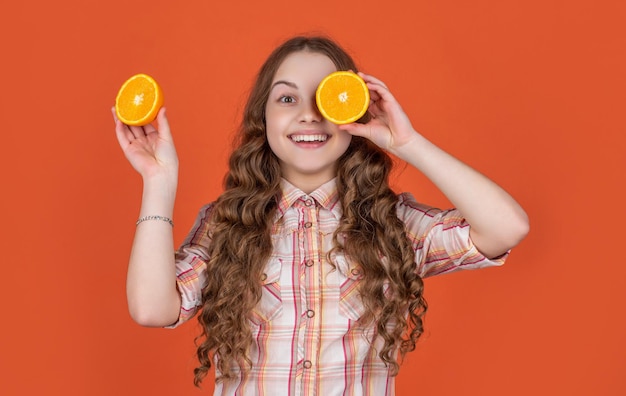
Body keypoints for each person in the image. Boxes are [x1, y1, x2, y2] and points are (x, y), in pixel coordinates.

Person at [113, 35, 529, 395]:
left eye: (325, 99)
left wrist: (407, 142)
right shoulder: (227, 224)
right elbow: (152, 309)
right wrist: (158, 180)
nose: (309, 114)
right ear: (264, 117)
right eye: (287, 98)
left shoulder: (393, 224)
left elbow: (507, 227)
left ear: (354, 115)